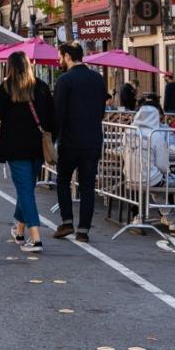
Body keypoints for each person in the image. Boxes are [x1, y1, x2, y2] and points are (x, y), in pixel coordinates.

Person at [0, 52, 54, 252]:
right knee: (26, 189)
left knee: (25, 190)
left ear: (10, 67)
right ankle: (19, 231)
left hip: (15, 147)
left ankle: (36, 238)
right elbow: (53, 117)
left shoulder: (7, 87)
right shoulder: (41, 86)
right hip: (37, 146)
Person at [52, 41, 106, 242]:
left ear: (67, 56)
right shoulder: (98, 79)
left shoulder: (65, 80)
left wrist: (53, 138)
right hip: (92, 140)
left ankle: (67, 221)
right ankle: (83, 229)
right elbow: (101, 111)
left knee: (63, 181)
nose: (59, 60)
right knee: (87, 186)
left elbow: (58, 113)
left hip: (70, 141)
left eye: (60, 56)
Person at [125, 100, 175, 233]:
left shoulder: (129, 132)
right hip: (151, 177)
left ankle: (167, 217)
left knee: (157, 188)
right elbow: (162, 165)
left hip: (131, 177)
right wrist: (165, 171)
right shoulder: (156, 135)